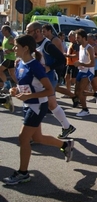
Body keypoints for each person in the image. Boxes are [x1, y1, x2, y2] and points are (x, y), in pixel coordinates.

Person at [2, 34, 73, 186]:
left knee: (23, 138)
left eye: (16, 46)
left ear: (25, 48)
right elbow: (25, 85)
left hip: (38, 106)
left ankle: (23, 173)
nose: (13, 48)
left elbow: (49, 90)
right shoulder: (20, 63)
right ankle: (65, 145)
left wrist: (29, 96)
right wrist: (16, 90)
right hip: (28, 105)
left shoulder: (36, 66)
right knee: (38, 138)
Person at [26, 22, 76, 139]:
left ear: (37, 32)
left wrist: (49, 67)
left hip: (48, 78)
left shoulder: (47, 45)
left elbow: (61, 59)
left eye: (29, 32)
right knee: (51, 104)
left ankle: (33, 135)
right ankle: (66, 126)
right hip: (39, 79)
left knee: (39, 105)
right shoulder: (33, 44)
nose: (27, 34)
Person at [73, 29, 95, 117]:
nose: (76, 39)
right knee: (77, 92)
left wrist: (81, 63)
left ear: (84, 38)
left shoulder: (89, 48)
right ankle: (96, 94)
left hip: (88, 71)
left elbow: (92, 63)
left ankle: (85, 110)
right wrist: (79, 63)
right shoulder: (80, 47)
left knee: (80, 91)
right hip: (81, 70)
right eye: (76, 38)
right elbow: (82, 60)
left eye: (78, 38)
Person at [0, 25, 18, 91]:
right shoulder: (5, 37)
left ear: (7, 31)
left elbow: (17, 47)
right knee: (12, 74)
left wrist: (9, 51)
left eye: (3, 30)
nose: (1, 31)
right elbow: (5, 47)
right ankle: (20, 84)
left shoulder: (11, 38)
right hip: (6, 57)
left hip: (10, 58)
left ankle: (6, 85)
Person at [64, 31, 79, 97]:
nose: (68, 37)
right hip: (69, 63)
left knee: (73, 80)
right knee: (66, 77)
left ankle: (77, 93)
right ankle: (68, 92)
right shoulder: (70, 44)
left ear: (74, 36)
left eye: (70, 36)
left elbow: (77, 55)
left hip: (74, 64)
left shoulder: (76, 45)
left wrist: (67, 55)